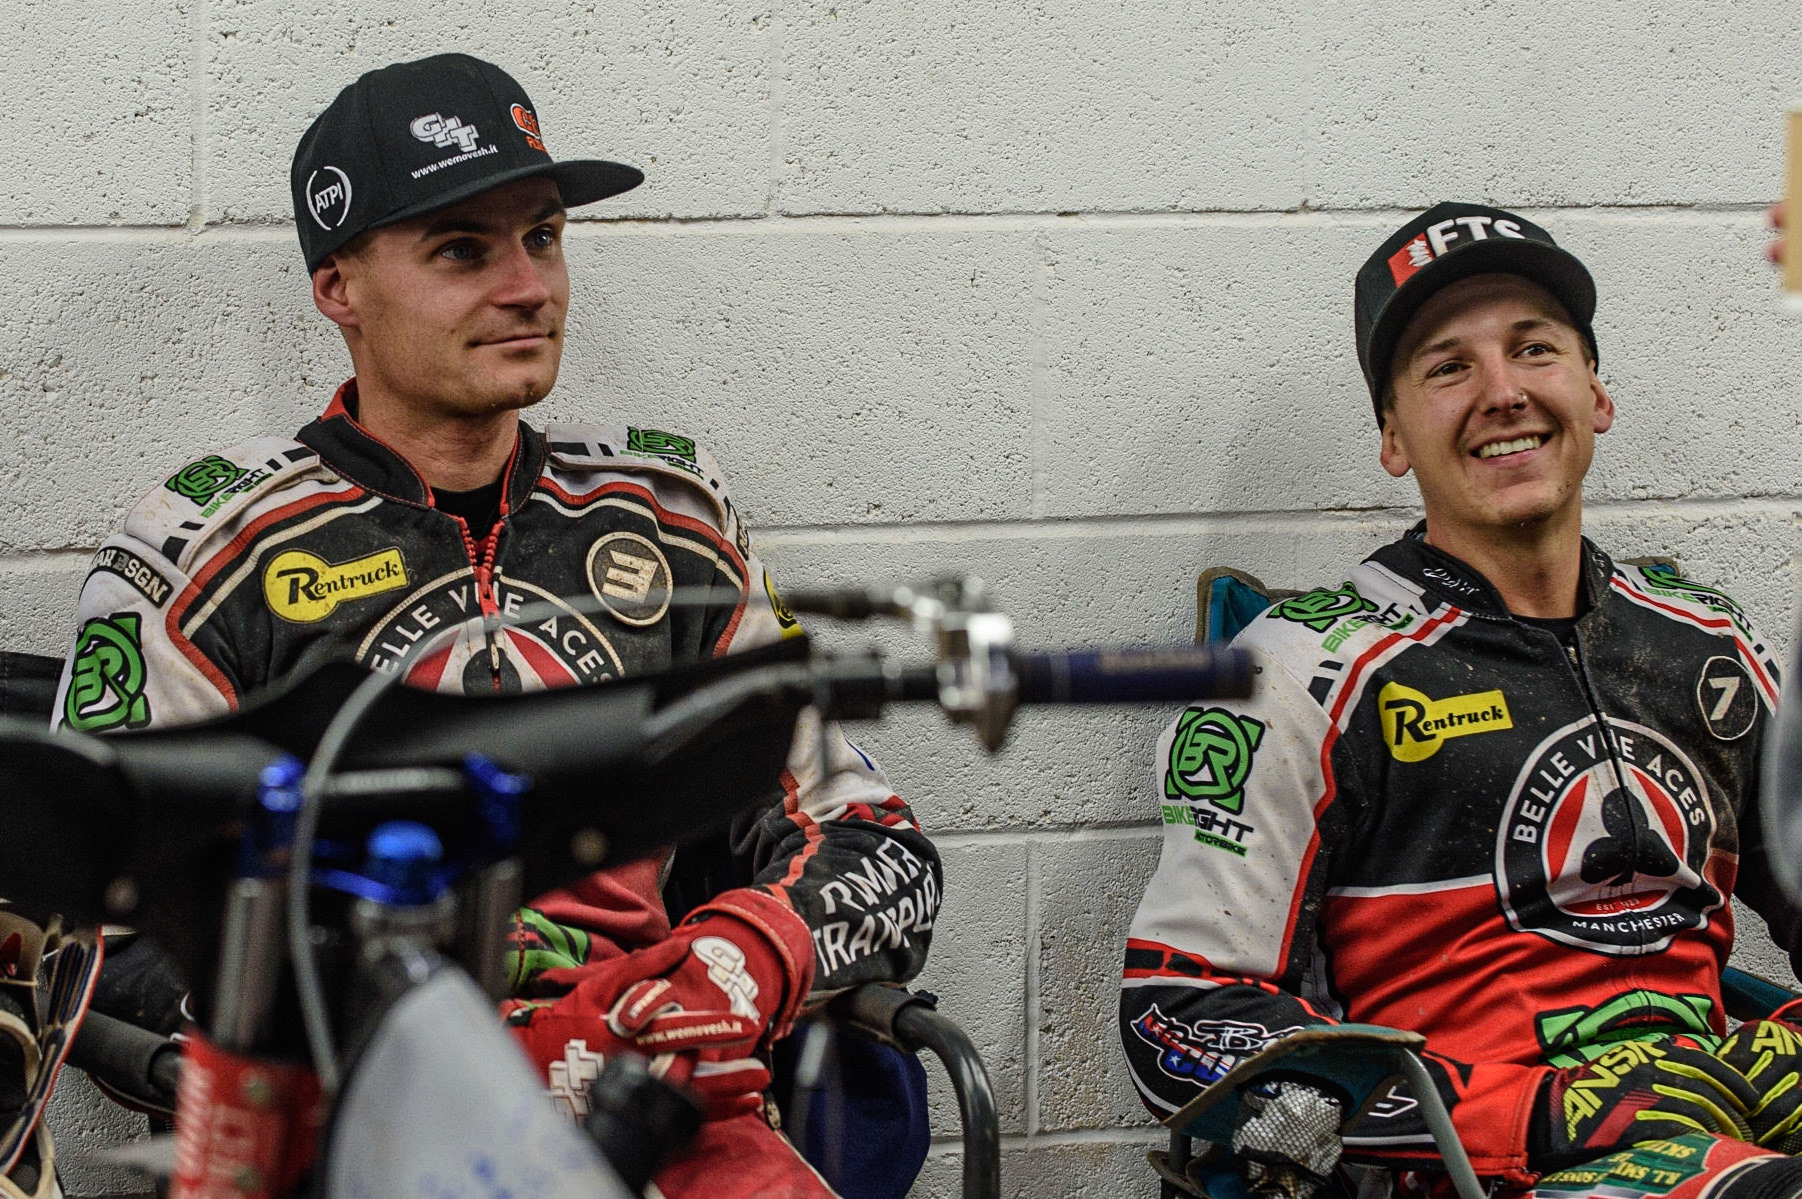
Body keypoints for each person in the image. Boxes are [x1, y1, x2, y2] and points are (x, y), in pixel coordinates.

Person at [53, 53, 939, 1199]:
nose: (528, 285)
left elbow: (875, 837)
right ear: (338, 287)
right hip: (348, 1134)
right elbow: (96, 941)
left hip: (663, 1109)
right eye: (463, 250)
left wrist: (741, 960)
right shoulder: (200, 548)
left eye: (546, 235)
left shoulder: (670, 516)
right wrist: (444, 1050)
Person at [1118, 202, 1802, 1196]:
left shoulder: (1708, 643)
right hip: (1481, 1164)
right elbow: (1172, 1015)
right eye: (1447, 367)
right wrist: (1534, 1110)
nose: (1501, 392)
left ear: (1594, 393)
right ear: (1392, 436)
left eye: (1533, 348)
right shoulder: (1299, 667)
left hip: (1721, 1114)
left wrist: (1775, 1044)